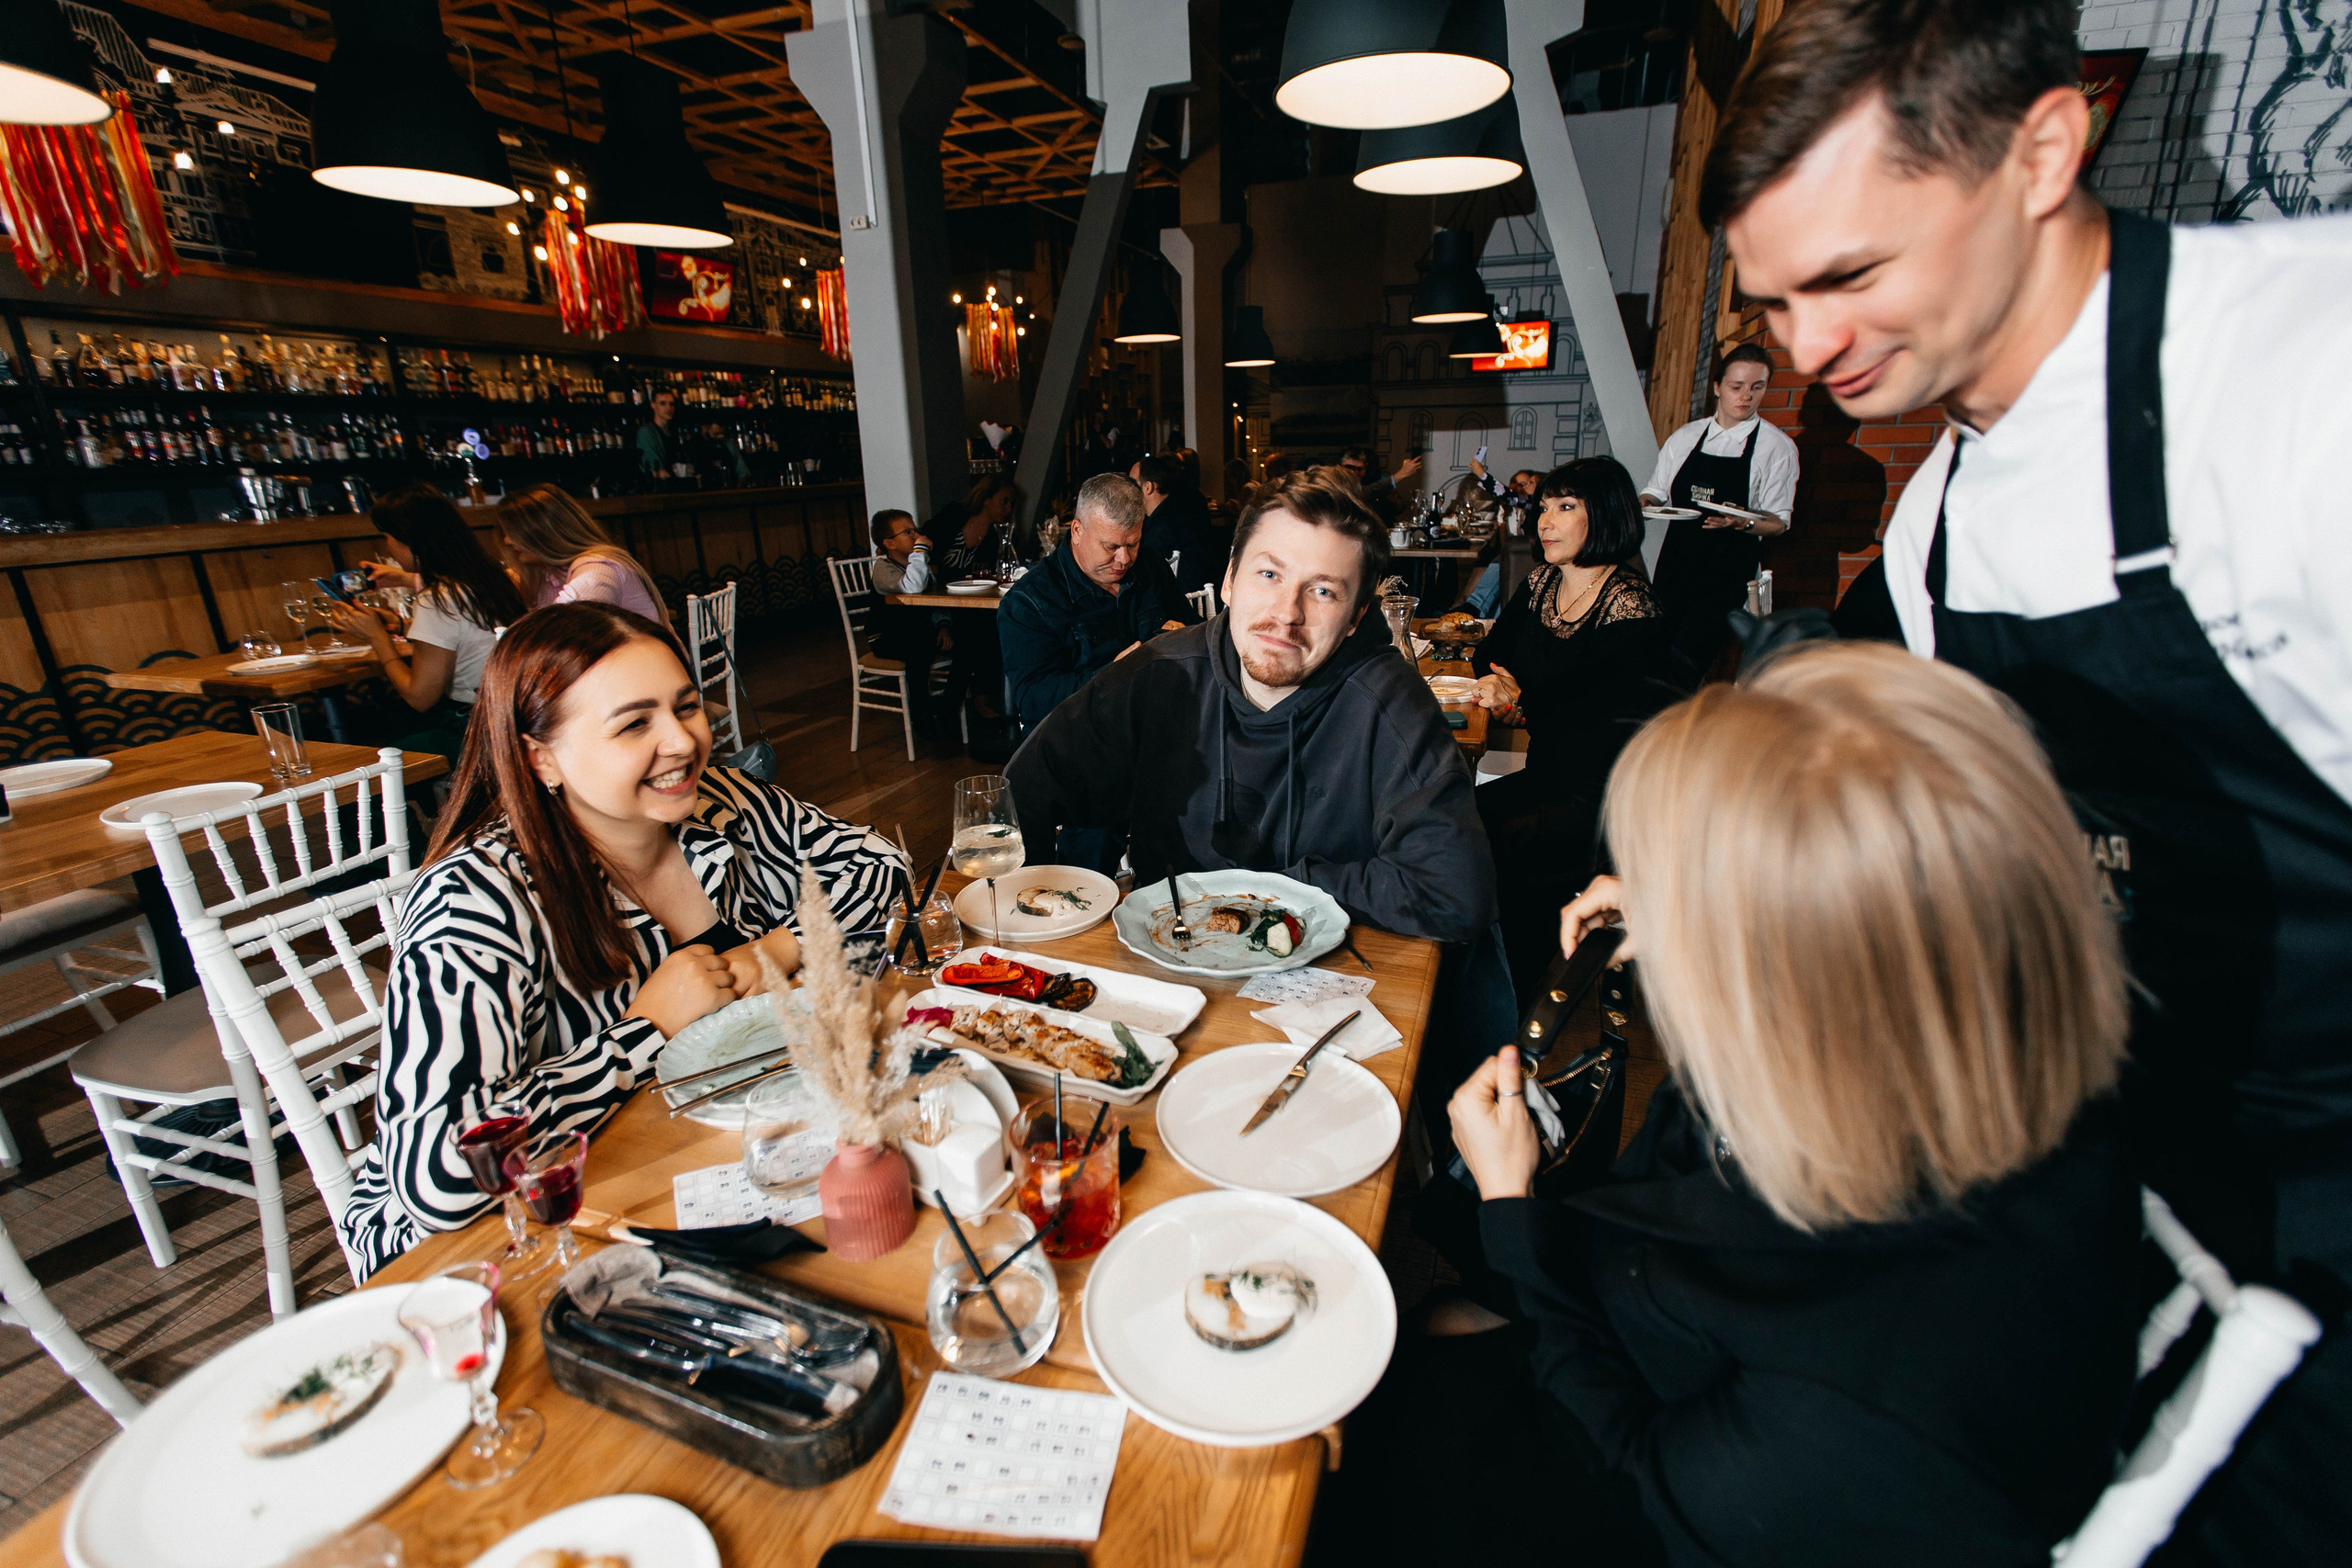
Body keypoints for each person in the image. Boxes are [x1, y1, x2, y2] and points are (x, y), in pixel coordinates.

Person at [1708, 3, 2352, 1556]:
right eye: (1773, 303)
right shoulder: (1937, 520)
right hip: (2121, 1191)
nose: (1806, 352)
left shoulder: (2304, 382)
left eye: (1847, 277)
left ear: (2044, 150)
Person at [1433, 642, 2141, 1567]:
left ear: (1812, 975)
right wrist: (1693, 906)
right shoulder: (1946, 1038)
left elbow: (1627, 1487)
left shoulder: (1889, 1388)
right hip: (1622, 1306)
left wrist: (1511, 1208)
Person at [335, 604, 907, 1277]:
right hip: (494, 1249)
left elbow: (882, 867)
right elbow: (441, 1171)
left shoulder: (720, 801)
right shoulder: (475, 900)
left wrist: (774, 950)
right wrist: (648, 1029)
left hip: (695, 1154)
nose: (683, 740)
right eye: (635, 723)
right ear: (541, 757)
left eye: (686, 707)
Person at [1005, 471, 1496, 948]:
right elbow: (1022, 791)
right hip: (1170, 957)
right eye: (1269, 574)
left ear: (1356, 617)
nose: (1287, 613)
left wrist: (1273, 890)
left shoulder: (1389, 701)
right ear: (1230, 579)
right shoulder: (1161, 672)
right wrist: (1038, 931)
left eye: (1323, 591)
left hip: (1329, 975)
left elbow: (1454, 894)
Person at [1467, 458, 1681, 995]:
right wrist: (1513, 691)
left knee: (1489, 834)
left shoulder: (1632, 605)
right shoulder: (1542, 583)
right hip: (1548, 775)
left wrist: (1523, 700)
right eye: (1543, 507)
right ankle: (1477, 973)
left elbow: (1604, 727)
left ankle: (1515, 988)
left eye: (1565, 506)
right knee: (1452, 814)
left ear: (1605, 514)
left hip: (1605, 798)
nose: (1545, 521)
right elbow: (1488, 653)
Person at [328, 482, 525, 761]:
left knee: (385, 752)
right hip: (518, 714)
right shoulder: (491, 576)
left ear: (408, 540)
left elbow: (420, 697)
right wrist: (400, 626)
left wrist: (378, 639)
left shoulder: (437, 598)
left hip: (480, 728)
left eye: (387, 537)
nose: (388, 546)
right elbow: (465, 635)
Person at [1641, 342, 1799, 673]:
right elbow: (1655, 492)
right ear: (1717, 387)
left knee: (1688, 663)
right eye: (1737, 387)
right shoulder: (1685, 437)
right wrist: (1643, 505)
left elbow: (1778, 523)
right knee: (1652, 654)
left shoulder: (1776, 447)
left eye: (1757, 387)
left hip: (1727, 574)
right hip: (1675, 566)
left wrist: (1740, 523)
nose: (1747, 396)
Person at [998, 473, 1189, 742]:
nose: (1124, 559)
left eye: (1133, 544)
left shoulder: (1149, 565)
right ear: (1077, 531)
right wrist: (1112, 677)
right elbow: (1033, 701)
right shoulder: (1028, 602)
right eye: (1111, 546)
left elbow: (1193, 626)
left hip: (1156, 729)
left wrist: (1184, 636)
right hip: (1076, 743)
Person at [499, 483, 671, 629]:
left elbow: (561, 628)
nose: (507, 540)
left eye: (514, 532)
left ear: (546, 531)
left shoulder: (598, 566)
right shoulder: (547, 574)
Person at [865, 508, 965, 740]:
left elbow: (932, 601)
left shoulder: (920, 567)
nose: (916, 535)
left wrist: (943, 625)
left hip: (919, 632)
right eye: (908, 532)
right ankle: (921, 714)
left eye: (916, 530)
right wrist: (920, 551)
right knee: (919, 646)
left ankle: (948, 705)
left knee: (967, 640)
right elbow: (912, 586)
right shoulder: (883, 570)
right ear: (890, 544)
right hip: (885, 637)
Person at [1132, 453, 1227, 599]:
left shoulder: (1162, 527)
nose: (1128, 490)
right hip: (1207, 591)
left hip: (1186, 599)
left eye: (1132, 484)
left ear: (1148, 487)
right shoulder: (1180, 509)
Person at [1337, 443, 1423, 523]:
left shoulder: (1372, 480)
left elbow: (1397, 508)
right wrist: (1401, 474)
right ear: (1338, 467)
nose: (1354, 472)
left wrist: (1393, 501)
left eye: (1359, 469)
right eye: (1349, 468)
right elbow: (1363, 492)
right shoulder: (1335, 484)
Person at [635, 387, 682, 480]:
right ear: (653, 405)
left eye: (671, 404)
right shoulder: (646, 432)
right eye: (663, 403)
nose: (668, 408)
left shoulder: (673, 432)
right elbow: (655, 469)